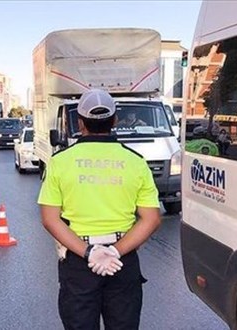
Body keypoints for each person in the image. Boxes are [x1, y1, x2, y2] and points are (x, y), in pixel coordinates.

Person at [38, 89, 161, 330]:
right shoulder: (135, 161)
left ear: (80, 123)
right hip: (122, 262)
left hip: (78, 263)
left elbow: (50, 219)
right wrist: (115, 251)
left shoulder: (60, 162)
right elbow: (151, 219)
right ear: (114, 121)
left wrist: (88, 253)